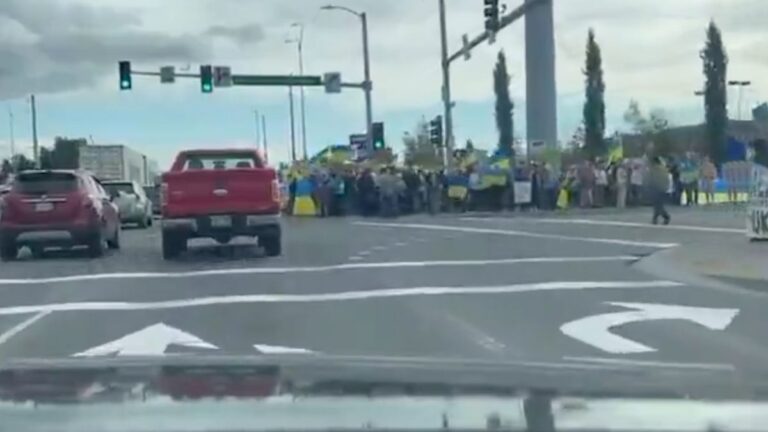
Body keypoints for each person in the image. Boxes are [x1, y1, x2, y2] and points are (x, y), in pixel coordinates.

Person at [649, 157, 671, 225]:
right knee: (658, 204)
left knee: (657, 205)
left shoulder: (655, 169)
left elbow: (652, 178)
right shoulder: (663, 168)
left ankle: (664, 217)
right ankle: (656, 218)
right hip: (662, 188)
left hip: (657, 188)